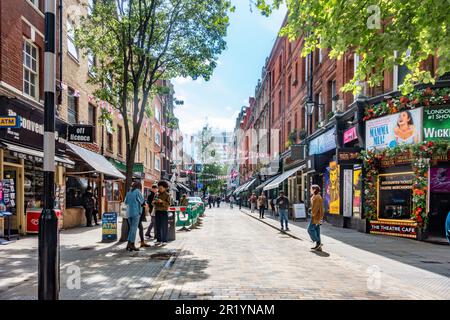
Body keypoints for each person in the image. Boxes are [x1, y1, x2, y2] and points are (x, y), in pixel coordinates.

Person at [124, 181, 145, 252]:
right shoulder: (137, 192)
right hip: (135, 212)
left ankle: (128, 244)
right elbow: (142, 201)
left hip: (128, 213)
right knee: (134, 229)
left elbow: (125, 202)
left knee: (131, 229)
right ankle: (132, 244)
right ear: (139, 186)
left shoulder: (128, 192)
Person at [153, 180, 172, 246]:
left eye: (161, 188)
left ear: (165, 188)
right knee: (158, 226)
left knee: (164, 227)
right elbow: (153, 202)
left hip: (164, 212)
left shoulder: (167, 195)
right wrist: (154, 202)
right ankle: (158, 240)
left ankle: (164, 240)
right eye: (159, 188)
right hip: (157, 211)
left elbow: (169, 204)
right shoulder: (156, 194)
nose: (159, 189)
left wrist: (162, 202)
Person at [308, 184, 324, 251]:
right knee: (317, 231)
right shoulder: (316, 196)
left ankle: (318, 242)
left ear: (314, 190)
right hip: (318, 216)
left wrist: (312, 213)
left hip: (316, 216)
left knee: (310, 229)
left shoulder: (317, 197)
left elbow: (316, 208)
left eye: (311, 189)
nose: (310, 190)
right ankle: (318, 246)